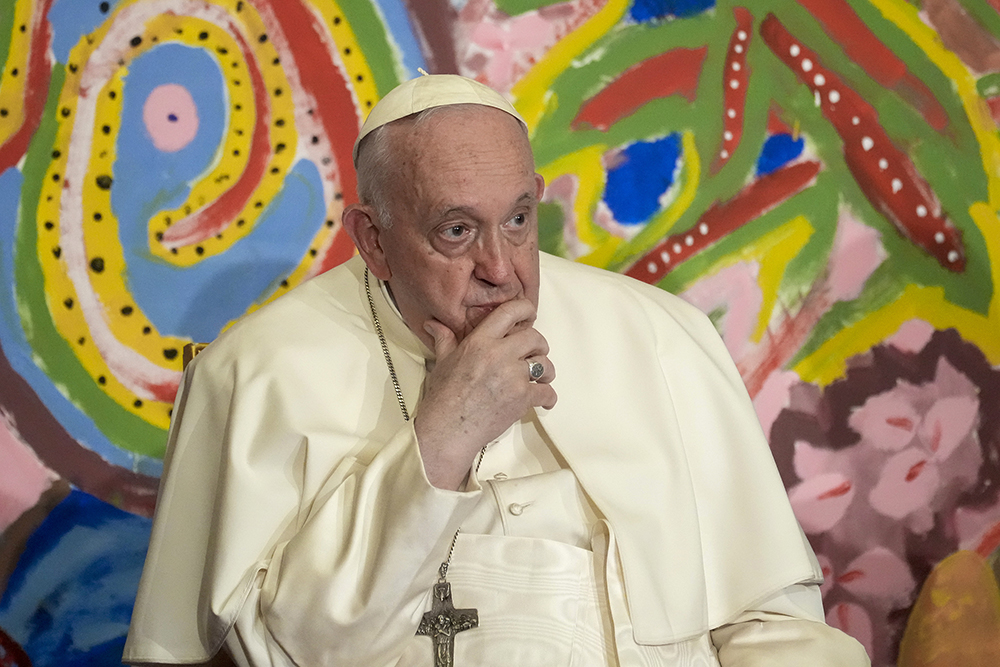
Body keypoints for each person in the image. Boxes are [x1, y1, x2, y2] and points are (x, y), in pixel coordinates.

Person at [124, 74, 869, 666]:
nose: (502, 271)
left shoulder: (660, 335)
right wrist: (440, 439)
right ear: (374, 242)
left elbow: (772, 621)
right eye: (456, 230)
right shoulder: (253, 374)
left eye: (518, 220)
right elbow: (253, 649)